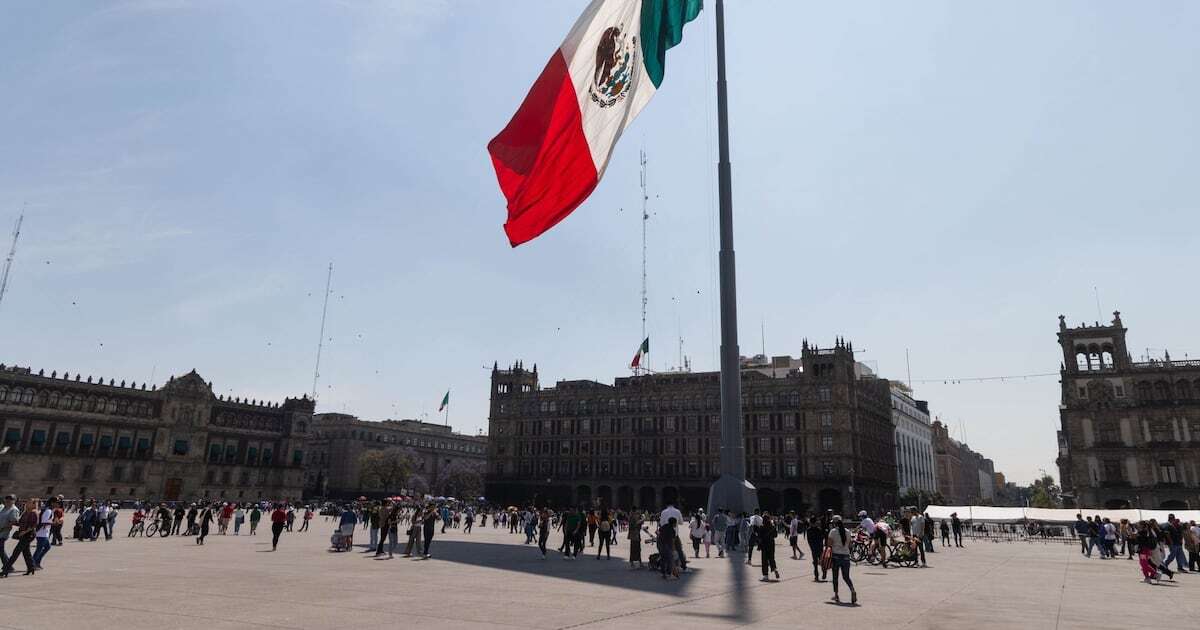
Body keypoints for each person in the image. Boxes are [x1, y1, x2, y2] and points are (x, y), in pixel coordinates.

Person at [0, 498, 39, 577]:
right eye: (27, 502)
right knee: (26, 552)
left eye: (29, 502)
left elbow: (33, 525)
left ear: (33, 504)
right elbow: (20, 522)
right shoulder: (25, 512)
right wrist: (12, 523)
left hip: (29, 534)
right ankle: (31, 568)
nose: (27, 503)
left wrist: (24, 532)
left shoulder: (34, 513)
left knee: (16, 552)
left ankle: (6, 570)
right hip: (23, 534)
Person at [825, 515, 856, 605]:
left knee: (835, 577)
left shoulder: (833, 532)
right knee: (846, 577)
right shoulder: (847, 532)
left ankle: (836, 594)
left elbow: (829, 544)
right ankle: (852, 590)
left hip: (836, 557)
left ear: (834, 523)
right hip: (846, 557)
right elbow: (850, 545)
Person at [31, 497, 55, 570]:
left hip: (43, 533)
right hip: (42, 533)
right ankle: (32, 564)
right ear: (52, 503)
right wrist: (53, 523)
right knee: (39, 549)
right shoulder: (48, 510)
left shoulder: (47, 509)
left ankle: (36, 562)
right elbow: (44, 521)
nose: (58, 504)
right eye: (56, 502)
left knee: (47, 547)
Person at [757, 512, 779, 582]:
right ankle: (774, 569)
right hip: (772, 544)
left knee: (764, 560)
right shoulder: (772, 526)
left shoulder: (762, 527)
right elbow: (776, 535)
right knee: (771, 557)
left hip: (764, 545)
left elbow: (759, 538)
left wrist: (759, 545)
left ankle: (765, 576)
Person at [805, 516, 827, 582]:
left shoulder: (815, 530)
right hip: (816, 548)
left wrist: (814, 547)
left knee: (820, 562)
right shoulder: (813, 530)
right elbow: (809, 540)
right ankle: (817, 576)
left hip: (818, 548)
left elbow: (820, 538)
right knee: (816, 563)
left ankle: (823, 572)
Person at [0, 494, 20, 559]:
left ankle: (8, 565)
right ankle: (8, 565)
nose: (8, 500)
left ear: (14, 501)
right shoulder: (4, 508)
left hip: (3, 532)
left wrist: (3, 528)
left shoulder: (14, 510)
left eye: (11, 499)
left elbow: (14, 521)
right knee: (1, 549)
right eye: (7, 498)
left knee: (1, 549)